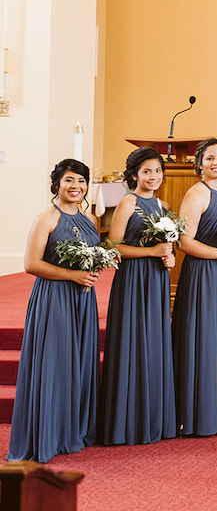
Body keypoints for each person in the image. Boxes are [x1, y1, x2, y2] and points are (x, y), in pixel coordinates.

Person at [8, 159, 102, 462]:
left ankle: (71, 429)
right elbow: (31, 264)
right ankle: (48, 434)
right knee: (55, 364)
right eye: (69, 181)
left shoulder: (89, 217)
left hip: (83, 299)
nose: (76, 187)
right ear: (56, 185)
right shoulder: (47, 218)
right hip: (55, 298)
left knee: (78, 363)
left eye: (81, 181)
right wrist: (72, 275)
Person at [98, 147, 176, 445]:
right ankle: (126, 421)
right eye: (147, 171)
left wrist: (167, 258)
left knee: (154, 343)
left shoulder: (163, 205)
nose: (153, 176)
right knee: (132, 342)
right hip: (132, 281)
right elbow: (113, 247)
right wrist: (152, 252)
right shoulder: (127, 204)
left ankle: (152, 417)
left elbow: (167, 245)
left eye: (157, 171)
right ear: (134, 175)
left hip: (155, 282)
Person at [174, 138, 217, 435]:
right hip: (203, 275)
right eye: (210, 158)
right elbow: (184, 242)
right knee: (201, 340)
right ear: (199, 163)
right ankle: (195, 416)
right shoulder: (197, 194)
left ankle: (215, 414)